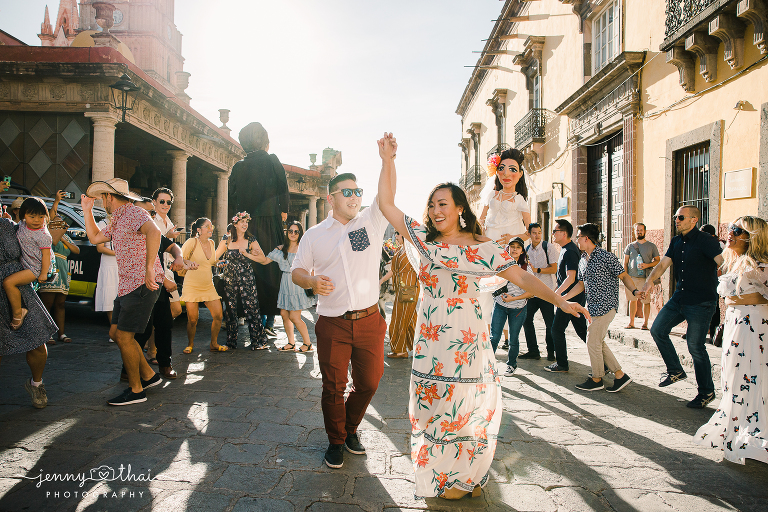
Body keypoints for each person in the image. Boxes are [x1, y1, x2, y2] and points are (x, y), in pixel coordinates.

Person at [375, 133, 589, 499]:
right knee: (430, 409)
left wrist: (562, 301)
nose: (435, 211)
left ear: (460, 208)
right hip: (429, 341)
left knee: (464, 407)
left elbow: (522, 277)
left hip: (467, 341)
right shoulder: (424, 241)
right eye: (431, 205)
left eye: (443, 204)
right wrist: (388, 160)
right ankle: (445, 474)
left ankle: (464, 476)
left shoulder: (482, 249)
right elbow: (386, 204)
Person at [291, 170, 390, 471]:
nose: (354, 197)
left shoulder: (370, 224)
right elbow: (297, 271)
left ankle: (349, 427)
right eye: (346, 192)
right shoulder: (314, 235)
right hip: (333, 322)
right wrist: (311, 281)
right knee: (333, 386)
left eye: (358, 191)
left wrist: (386, 161)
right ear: (330, 197)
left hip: (370, 320)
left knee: (369, 382)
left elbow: (385, 195)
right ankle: (337, 441)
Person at [81, 179, 165, 406]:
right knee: (115, 333)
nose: (102, 202)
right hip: (127, 285)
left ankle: (136, 390)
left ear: (110, 197)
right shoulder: (119, 219)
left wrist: (149, 268)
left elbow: (155, 232)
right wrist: (87, 211)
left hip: (141, 283)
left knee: (125, 337)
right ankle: (148, 375)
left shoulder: (133, 214)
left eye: (102, 198)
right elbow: (95, 238)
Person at [694, 216, 768, 464]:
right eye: (730, 228)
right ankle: (736, 434)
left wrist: (745, 301)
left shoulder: (760, 265)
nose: (730, 233)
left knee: (750, 381)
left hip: (754, 333)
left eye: (736, 230)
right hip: (736, 331)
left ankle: (749, 438)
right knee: (732, 381)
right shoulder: (735, 263)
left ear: (752, 236)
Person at [642, 205, 724, 408]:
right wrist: (648, 283)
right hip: (679, 298)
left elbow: (722, 263)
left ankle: (706, 392)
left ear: (694, 220)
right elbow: (662, 265)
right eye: (675, 217)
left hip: (702, 301)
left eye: (680, 217)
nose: (676, 220)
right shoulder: (676, 241)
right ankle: (675, 371)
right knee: (658, 330)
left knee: (695, 347)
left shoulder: (707, 241)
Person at [229, 122, 289, 337]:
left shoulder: (239, 166)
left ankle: (250, 316)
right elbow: (283, 186)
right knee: (271, 268)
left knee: (248, 269)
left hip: (246, 224)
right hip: (270, 222)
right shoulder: (272, 160)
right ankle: (269, 321)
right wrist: (283, 212)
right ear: (264, 141)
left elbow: (232, 195)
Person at [567, 224, 635, 392]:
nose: (577, 240)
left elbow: (623, 275)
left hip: (607, 306)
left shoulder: (606, 257)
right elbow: (581, 285)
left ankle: (597, 379)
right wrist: (562, 298)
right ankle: (620, 375)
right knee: (599, 342)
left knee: (592, 341)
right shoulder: (583, 259)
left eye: (578, 237)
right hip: (593, 308)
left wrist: (635, 290)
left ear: (586, 238)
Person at [0, 210, 58, 408]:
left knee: (37, 337)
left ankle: (36, 384)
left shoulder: (10, 226)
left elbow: (40, 240)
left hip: (18, 287)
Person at [133, 197, 195, 379]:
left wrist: (179, 257)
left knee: (164, 324)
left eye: (152, 213)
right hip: (139, 288)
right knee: (140, 331)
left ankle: (165, 364)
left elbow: (173, 246)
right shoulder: (132, 234)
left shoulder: (154, 232)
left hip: (157, 287)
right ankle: (129, 370)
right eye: (146, 212)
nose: (150, 216)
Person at [477, 149, 531, 338]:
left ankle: (506, 336)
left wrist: (513, 239)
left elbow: (529, 232)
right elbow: (480, 222)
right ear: (496, 171)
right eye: (502, 168)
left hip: (507, 251)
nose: (507, 174)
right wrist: (480, 236)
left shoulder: (520, 200)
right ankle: (482, 332)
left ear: (520, 174)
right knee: (483, 289)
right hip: (487, 248)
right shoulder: (491, 196)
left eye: (512, 169)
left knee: (504, 288)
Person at [251, 220, 316, 352]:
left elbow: (312, 267)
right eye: (290, 231)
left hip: (297, 283)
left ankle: (308, 343)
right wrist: (248, 254)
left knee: (294, 317)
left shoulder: (303, 248)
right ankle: (291, 343)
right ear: (287, 233)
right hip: (285, 283)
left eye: (296, 231)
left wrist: (312, 284)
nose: (293, 234)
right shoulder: (281, 249)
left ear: (300, 233)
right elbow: (264, 261)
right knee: (284, 314)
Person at [217, 213, 268, 350]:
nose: (245, 224)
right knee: (230, 309)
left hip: (247, 278)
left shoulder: (251, 240)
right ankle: (231, 341)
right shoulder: (226, 239)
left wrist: (248, 254)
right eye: (242, 222)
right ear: (235, 224)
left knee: (252, 307)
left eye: (246, 222)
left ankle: (257, 340)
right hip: (229, 277)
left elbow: (263, 260)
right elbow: (215, 258)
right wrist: (219, 263)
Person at [3, 197, 54, 330]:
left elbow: (46, 255)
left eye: (41, 217)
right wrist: (7, 219)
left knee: (9, 283)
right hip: (25, 265)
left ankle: (18, 313)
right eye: (32, 216)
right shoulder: (22, 225)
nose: (37, 220)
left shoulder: (43, 235)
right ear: (23, 214)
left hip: (35, 268)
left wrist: (43, 273)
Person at [180, 217, 228, 353]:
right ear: (199, 230)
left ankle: (214, 343)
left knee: (218, 315)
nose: (210, 228)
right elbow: (179, 258)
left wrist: (218, 262)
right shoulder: (191, 242)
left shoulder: (212, 243)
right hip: (192, 284)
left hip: (208, 285)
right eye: (207, 226)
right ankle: (190, 344)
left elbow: (211, 262)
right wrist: (188, 263)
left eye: (211, 226)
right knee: (193, 319)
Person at [546, 219, 588, 373]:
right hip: (570, 298)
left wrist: (556, 295)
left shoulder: (570, 250)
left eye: (555, 231)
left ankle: (562, 364)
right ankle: (605, 363)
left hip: (571, 299)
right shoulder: (565, 248)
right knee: (584, 332)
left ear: (564, 233)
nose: (553, 234)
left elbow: (571, 277)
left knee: (556, 330)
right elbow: (564, 277)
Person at [491, 238, 534, 377]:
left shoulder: (526, 268)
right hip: (500, 305)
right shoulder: (500, 264)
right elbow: (491, 280)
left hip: (518, 307)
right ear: (508, 248)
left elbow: (532, 292)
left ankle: (511, 364)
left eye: (518, 247)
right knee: (494, 337)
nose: (514, 249)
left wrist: (513, 298)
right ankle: (488, 364)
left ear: (522, 251)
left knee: (513, 338)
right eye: (512, 246)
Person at [520, 222, 560, 361]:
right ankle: (533, 350)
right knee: (526, 319)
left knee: (550, 322)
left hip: (546, 291)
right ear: (529, 234)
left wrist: (537, 269)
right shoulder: (526, 250)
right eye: (534, 233)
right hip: (532, 292)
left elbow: (554, 269)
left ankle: (551, 352)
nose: (537, 235)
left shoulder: (548, 247)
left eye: (539, 232)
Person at [38, 212, 79, 344]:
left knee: (61, 304)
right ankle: (46, 333)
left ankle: (61, 333)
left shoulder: (65, 236)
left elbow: (76, 250)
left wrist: (63, 237)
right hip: (51, 270)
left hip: (63, 272)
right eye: (57, 221)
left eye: (61, 221)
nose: (60, 223)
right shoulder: (46, 234)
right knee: (47, 303)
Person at [152, 187, 183, 319]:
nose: (165, 205)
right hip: (155, 272)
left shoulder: (168, 222)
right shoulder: (152, 220)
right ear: (154, 202)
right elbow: (152, 245)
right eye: (162, 201)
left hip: (167, 271)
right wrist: (167, 235)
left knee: (176, 310)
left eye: (168, 202)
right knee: (155, 313)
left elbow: (169, 250)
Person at [387, 232, 418, 359]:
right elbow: (393, 271)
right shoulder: (399, 249)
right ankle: (421, 347)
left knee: (401, 318)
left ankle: (400, 350)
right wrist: (380, 281)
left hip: (410, 287)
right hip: (401, 287)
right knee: (409, 318)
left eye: (398, 233)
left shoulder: (413, 250)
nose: (395, 236)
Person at [623, 222, 660, 330]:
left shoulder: (651, 246)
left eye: (641, 230)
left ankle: (645, 323)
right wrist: (625, 277)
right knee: (632, 300)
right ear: (634, 232)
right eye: (637, 230)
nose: (639, 232)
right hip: (632, 278)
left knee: (646, 301)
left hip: (646, 278)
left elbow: (657, 261)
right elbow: (625, 262)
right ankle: (631, 322)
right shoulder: (630, 246)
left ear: (645, 231)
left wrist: (647, 265)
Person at [95, 213, 119, 342]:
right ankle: (114, 331)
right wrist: (118, 253)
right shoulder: (102, 224)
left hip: (122, 264)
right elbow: (100, 248)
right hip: (109, 263)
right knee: (111, 297)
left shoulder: (123, 222)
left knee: (121, 296)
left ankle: (121, 331)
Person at [701, 223, 725, 341]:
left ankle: (714, 333)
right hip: (704, 279)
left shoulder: (719, 245)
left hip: (715, 279)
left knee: (714, 306)